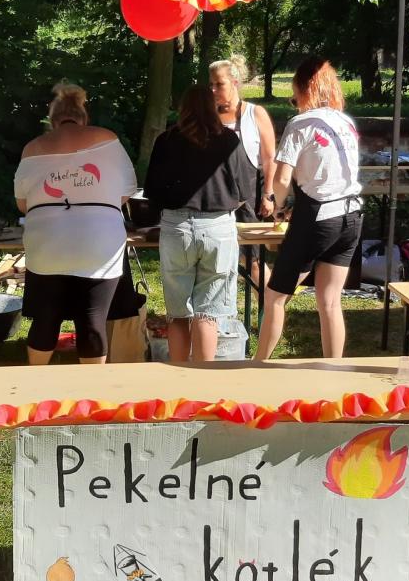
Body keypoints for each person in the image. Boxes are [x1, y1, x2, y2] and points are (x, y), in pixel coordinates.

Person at [13, 83, 137, 365]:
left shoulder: (32, 148)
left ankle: (34, 382)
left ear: (53, 120)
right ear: (84, 117)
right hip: (100, 242)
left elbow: (22, 204)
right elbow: (126, 191)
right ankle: (91, 388)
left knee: (45, 317)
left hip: (47, 243)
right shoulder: (108, 138)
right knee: (93, 319)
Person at [255, 58, 363, 361]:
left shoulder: (301, 123)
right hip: (351, 216)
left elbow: (282, 178)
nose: (295, 102)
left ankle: (257, 366)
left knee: (275, 296)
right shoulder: (345, 123)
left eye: (294, 96)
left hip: (319, 219)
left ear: (304, 90)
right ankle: (333, 368)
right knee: (330, 301)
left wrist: (276, 205)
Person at [144, 84, 249, 362]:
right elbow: (245, 190)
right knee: (208, 313)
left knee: (178, 314)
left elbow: (152, 191)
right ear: (213, 107)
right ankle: (204, 378)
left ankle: (180, 377)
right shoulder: (228, 140)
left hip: (176, 227)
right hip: (218, 227)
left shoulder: (166, 140)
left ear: (183, 108)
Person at [209, 55, 276, 221]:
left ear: (235, 83)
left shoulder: (255, 114)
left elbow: (269, 158)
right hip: (215, 197)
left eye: (219, 84)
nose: (213, 90)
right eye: (211, 85)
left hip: (249, 199)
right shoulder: (208, 117)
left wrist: (268, 195)